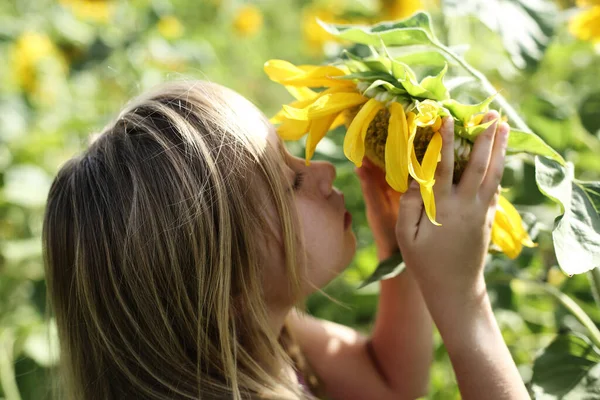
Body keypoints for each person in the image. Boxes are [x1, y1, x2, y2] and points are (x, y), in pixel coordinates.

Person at [42, 79, 530, 400]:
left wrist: (396, 241)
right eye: (289, 184)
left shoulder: (244, 339)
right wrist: (464, 302)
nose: (322, 170)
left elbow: (391, 384)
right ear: (225, 282)